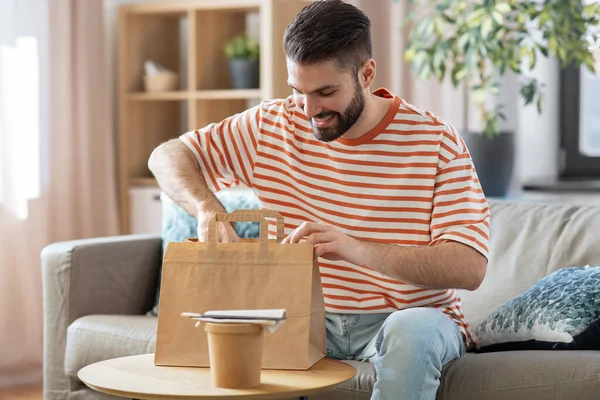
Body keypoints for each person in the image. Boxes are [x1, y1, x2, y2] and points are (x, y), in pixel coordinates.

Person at [148, 1, 489, 399]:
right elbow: (167, 155)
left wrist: (354, 248)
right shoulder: (271, 125)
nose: (309, 111)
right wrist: (207, 208)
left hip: (407, 320)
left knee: (410, 330)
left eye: (326, 92)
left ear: (366, 73)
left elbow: (469, 266)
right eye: (298, 91)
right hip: (302, 317)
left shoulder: (434, 141)